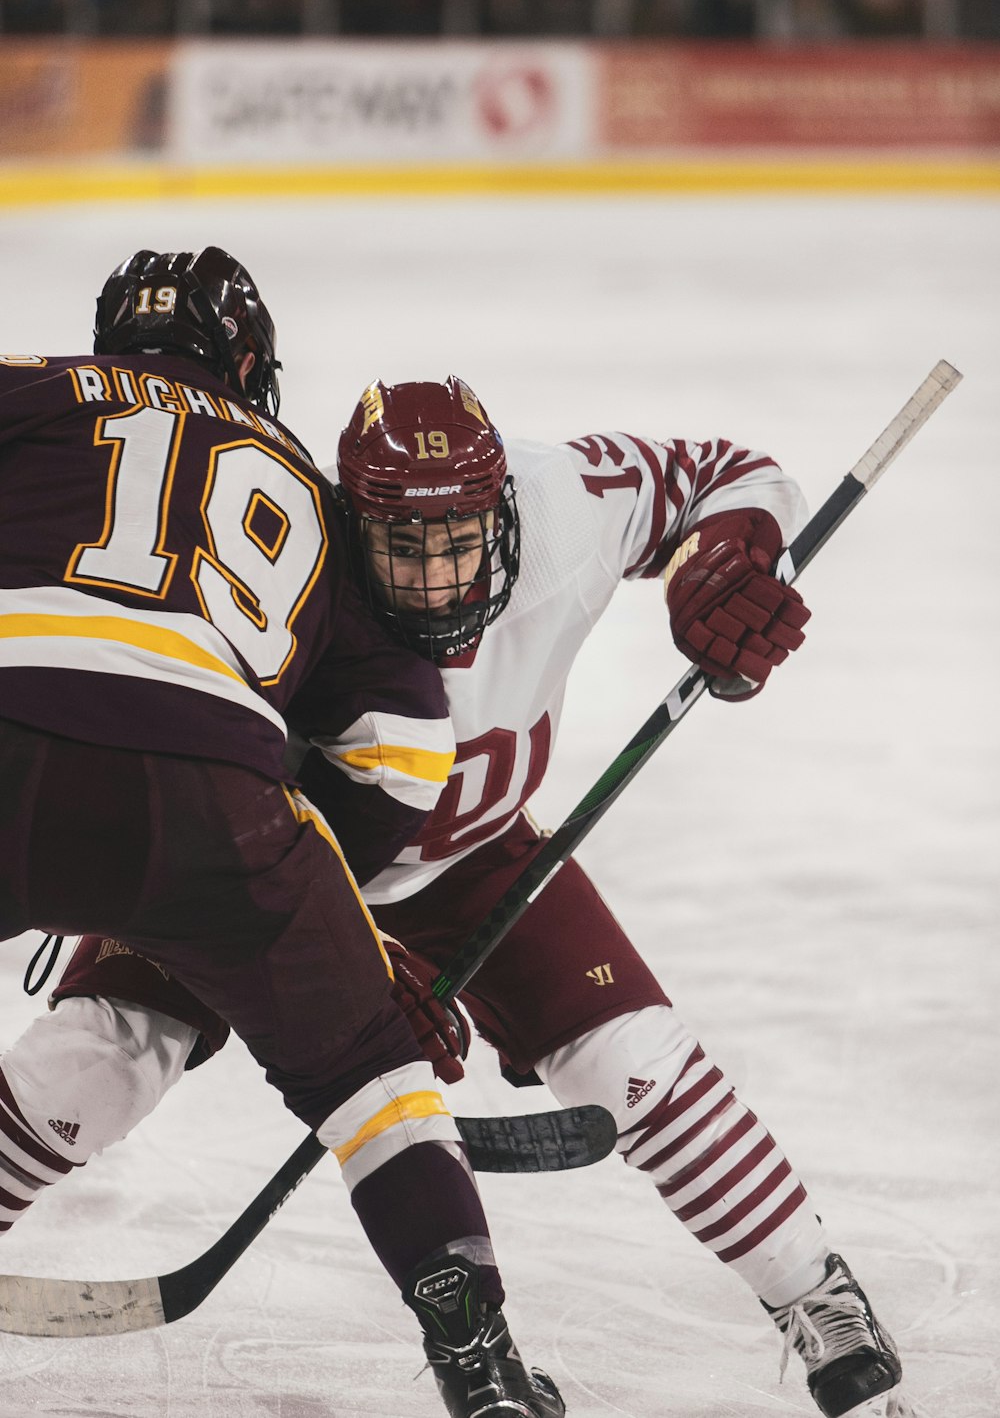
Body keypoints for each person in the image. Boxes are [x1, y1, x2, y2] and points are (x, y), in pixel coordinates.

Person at [2, 369, 908, 1418]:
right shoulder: (295, 558)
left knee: (636, 1059)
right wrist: (370, 976)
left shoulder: (568, 501)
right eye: (404, 548)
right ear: (351, 521)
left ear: (504, 514)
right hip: (276, 865)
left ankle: (818, 1297)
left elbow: (733, 474)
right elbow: (212, 800)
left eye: (459, 543)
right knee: (100, 1050)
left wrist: (725, 566)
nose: (436, 580)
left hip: (473, 856)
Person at [0, 269, 565, 1418]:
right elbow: (406, 749)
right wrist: (309, 914)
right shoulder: (307, 488)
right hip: (215, 791)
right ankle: (479, 1357)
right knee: (374, 1073)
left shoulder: (39, 389)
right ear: (252, 370)